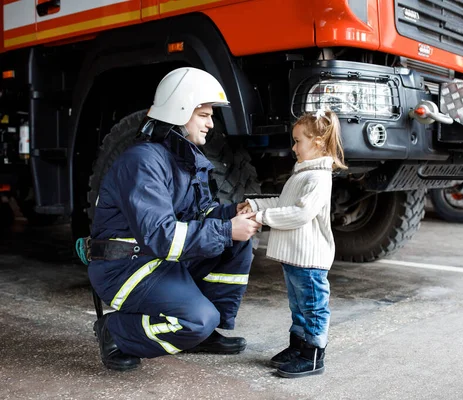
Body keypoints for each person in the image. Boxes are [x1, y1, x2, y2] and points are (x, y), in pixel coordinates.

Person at [87, 67, 261, 371]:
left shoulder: (186, 159)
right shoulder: (143, 162)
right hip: (126, 267)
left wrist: (230, 214)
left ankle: (201, 334)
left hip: (156, 259)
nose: (211, 123)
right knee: (197, 317)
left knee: (238, 243)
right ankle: (115, 332)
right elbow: (162, 236)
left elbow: (199, 215)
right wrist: (225, 230)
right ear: (180, 110)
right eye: (204, 115)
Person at [239, 109, 346, 378]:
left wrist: (262, 217)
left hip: (310, 259)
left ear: (318, 143)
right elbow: (284, 203)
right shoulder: (302, 174)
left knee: (313, 307)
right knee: (299, 307)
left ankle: (313, 356)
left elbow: (300, 213)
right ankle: (298, 347)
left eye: (298, 140)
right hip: (296, 257)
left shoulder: (318, 178)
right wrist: (254, 205)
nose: (293, 146)